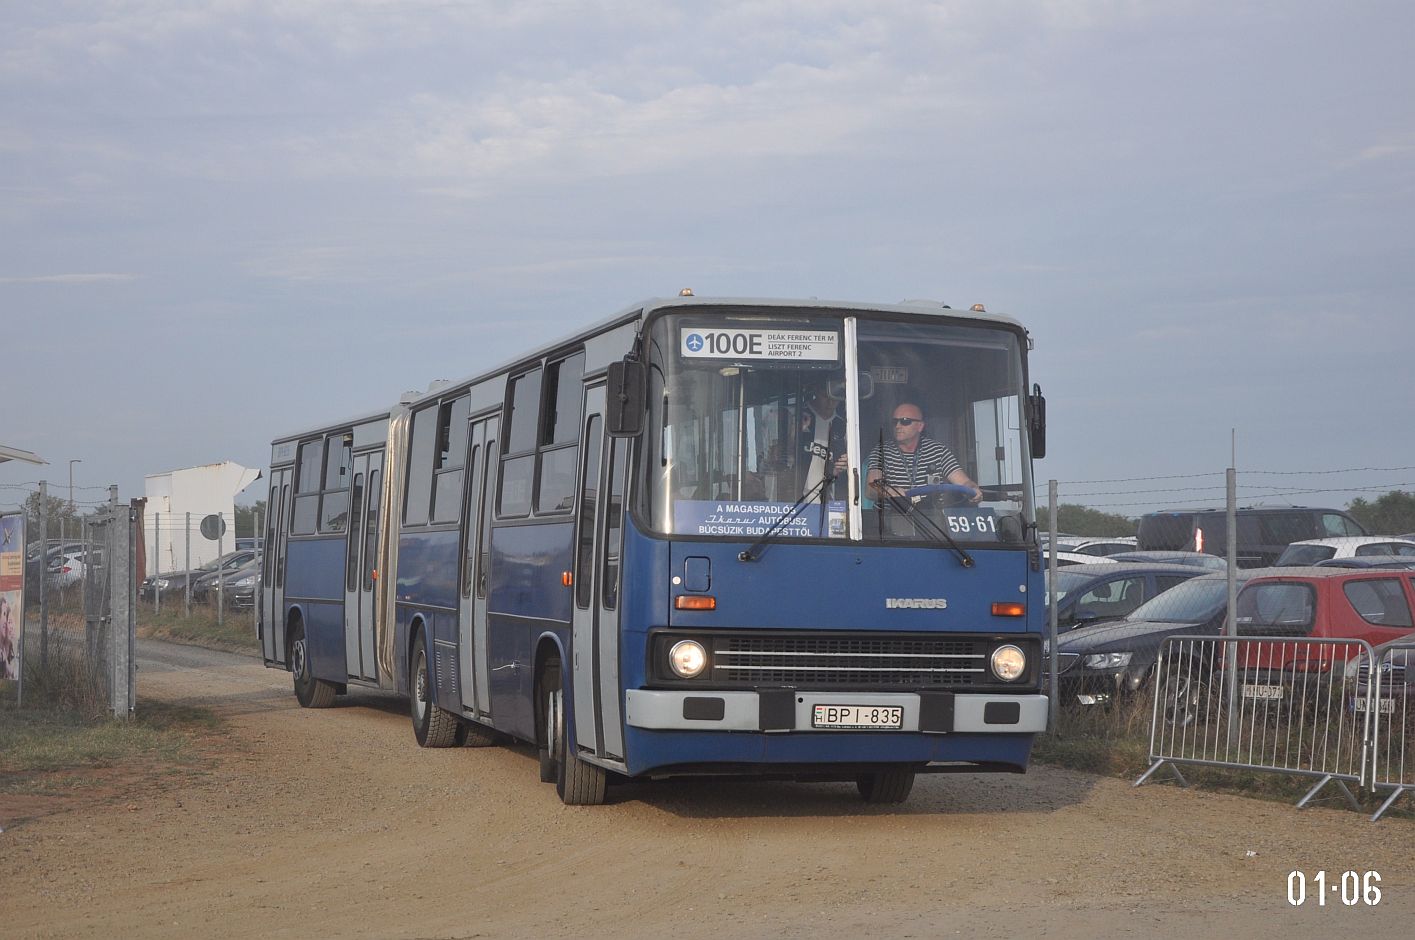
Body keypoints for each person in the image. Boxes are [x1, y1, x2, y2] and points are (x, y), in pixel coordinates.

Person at [866, 402, 982, 504]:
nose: (898, 426)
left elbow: (964, 482)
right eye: (894, 422)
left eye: (905, 421)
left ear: (920, 426)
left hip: (929, 520)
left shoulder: (938, 451)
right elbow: (872, 488)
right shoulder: (881, 451)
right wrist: (889, 491)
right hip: (890, 519)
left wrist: (972, 489)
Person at [800, 380, 847, 498]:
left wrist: (848, 463)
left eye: (835, 398)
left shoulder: (844, 425)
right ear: (816, 392)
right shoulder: (799, 415)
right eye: (825, 396)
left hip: (828, 497)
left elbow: (846, 468)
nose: (830, 402)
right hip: (797, 497)